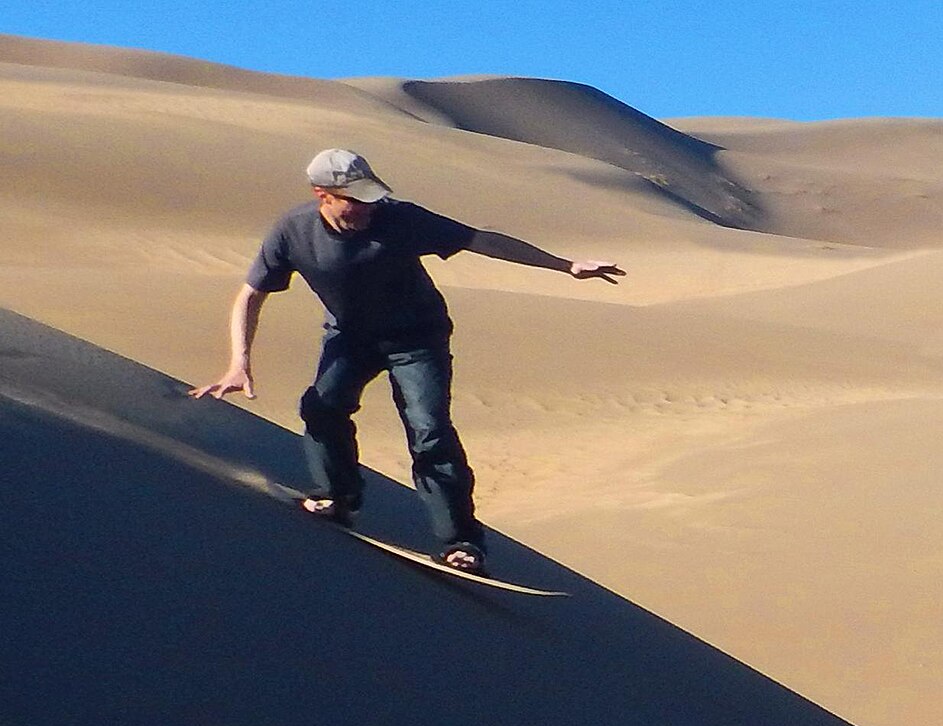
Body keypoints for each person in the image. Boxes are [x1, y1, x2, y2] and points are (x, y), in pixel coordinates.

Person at [191, 149, 623, 575]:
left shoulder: (402, 219)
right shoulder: (293, 231)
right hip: (350, 336)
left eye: (371, 196)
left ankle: (462, 543)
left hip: (417, 338)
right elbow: (251, 294)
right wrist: (239, 362)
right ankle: (337, 497)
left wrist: (566, 266)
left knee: (429, 430)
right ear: (323, 195)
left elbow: (481, 240)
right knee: (322, 408)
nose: (368, 207)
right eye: (355, 199)